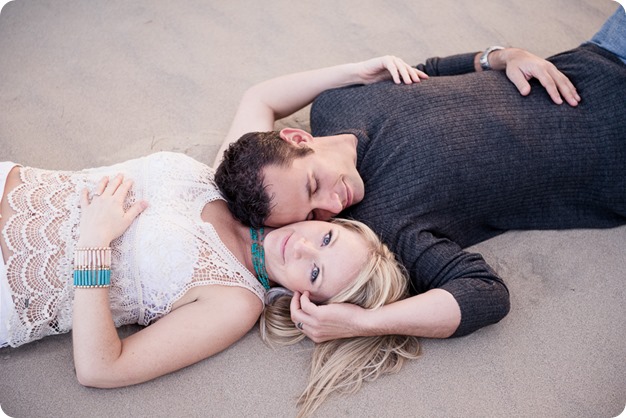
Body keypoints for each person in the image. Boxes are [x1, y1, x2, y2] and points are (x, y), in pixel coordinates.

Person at [0, 57, 425, 418]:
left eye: (314, 272)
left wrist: (92, 246)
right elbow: (261, 98)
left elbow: (100, 368)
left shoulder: (234, 303)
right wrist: (357, 71)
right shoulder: (246, 187)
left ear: (305, 299)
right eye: (327, 238)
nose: (302, 246)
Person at [214, 8, 626, 343]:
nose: (332, 205)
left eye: (312, 185)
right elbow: (484, 295)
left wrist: (502, 56)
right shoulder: (381, 228)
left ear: (297, 137)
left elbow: (430, 71)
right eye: (314, 215)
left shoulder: (335, 102)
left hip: (602, 54)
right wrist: (363, 324)